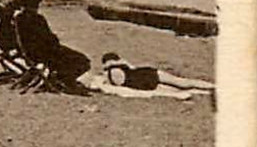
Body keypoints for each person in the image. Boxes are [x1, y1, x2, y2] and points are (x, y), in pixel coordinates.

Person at [11, 0, 91, 90]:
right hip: (45, 54)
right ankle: (63, 79)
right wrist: (55, 40)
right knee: (83, 61)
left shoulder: (19, 19)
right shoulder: (38, 19)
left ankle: (59, 78)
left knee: (69, 57)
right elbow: (50, 39)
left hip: (29, 54)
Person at [83, 52, 214, 98]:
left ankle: (205, 90)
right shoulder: (123, 65)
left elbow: (101, 84)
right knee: (182, 82)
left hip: (142, 84)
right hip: (147, 73)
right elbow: (133, 68)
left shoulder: (108, 76)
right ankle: (212, 86)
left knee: (177, 88)